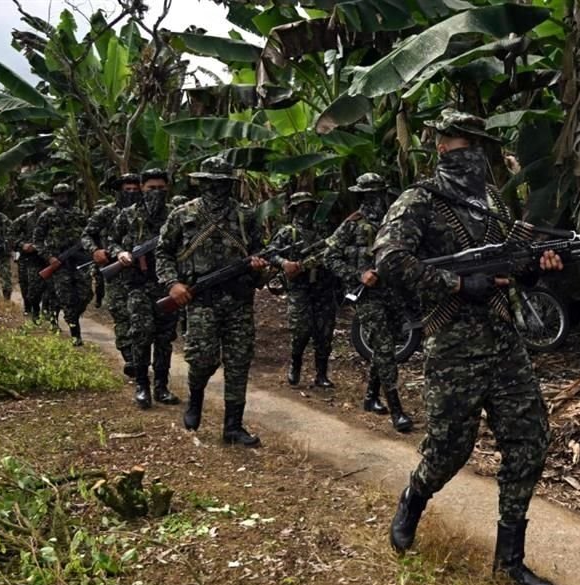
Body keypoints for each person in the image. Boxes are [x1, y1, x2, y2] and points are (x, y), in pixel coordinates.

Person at [374, 109, 562, 585]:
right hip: (454, 345)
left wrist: (535, 267)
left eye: (478, 145)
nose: (470, 154)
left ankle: (510, 560)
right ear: (439, 146)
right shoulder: (420, 200)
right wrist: (456, 282)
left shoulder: (495, 201)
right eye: (460, 145)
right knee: (449, 449)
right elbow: (390, 258)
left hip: (504, 342)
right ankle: (412, 500)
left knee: (529, 443)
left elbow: (511, 268)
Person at [156, 156, 267, 447]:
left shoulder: (246, 215)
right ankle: (195, 400)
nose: (216, 189)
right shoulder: (182, 214)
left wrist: (259, 266)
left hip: (239, 299)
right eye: (211, 183)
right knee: (202, 360)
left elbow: (260, 253)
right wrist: (173, 283)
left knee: (238, 362)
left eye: (222, 184)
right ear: (202, 182)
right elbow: (163, 252)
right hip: (202, 299)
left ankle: (233, 426)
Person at [322, 173, 413, 432]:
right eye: (369, 195)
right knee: (384, 348)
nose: (375, 199)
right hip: (366, 295)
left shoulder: (392, 221)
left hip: (393, 293)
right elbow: (330, 256)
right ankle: (397, 411)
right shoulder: (352, 224)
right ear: (361, 196)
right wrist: (358, 274)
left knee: (389, 344)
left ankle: (371, 397)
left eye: (378, 194)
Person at [109, 169, 180, 409]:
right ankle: (142, 385)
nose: (156, 193)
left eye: (161, 188)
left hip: (167, 285)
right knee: (140, 334)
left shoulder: (175, 216)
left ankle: (161, 386)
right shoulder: (128, 216)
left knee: (165, 338)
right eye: (151, 188)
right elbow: (112, 240)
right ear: (141, 187)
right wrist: (120, 253)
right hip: (137, 285)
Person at [266, 193, 339, 388]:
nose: (306, 211)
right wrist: (285, 263)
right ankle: (295, 363)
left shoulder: (323, 230)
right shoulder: (287, 232)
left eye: (309, 207)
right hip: (299, 288)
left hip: (323, 287)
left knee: (324, 332)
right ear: (294, 209)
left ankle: (321, 374)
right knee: (301, 329)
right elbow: (271, 253)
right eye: (301, 207)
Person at [83, 173, 142, 374]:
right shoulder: (107, 212)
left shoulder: (146, 212)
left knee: (142, 318)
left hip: (143, 274)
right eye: (128, 190)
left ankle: (142, 356)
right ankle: (130, 357)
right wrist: (95, 250)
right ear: (119, 191)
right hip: (116, 273)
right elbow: (87, 234)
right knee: (121, 314)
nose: (132, 193)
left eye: (136, 189)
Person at [34, 183, 93, 346]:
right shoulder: (47, 215)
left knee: (86, 294)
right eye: (59, 195)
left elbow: (89, 234)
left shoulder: (79, 214)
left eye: (65, 195)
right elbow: (37, 240)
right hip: (59, 263)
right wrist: (49, 257)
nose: (63, 198)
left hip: (80, 259)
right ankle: (76, 334)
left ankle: (59, 311)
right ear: (54, 197)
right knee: (66, 297)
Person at [9, 194, 49, 321]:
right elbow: (10, 235)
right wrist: (22, 244)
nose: (44, 205)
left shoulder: (54, 217)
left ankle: (47, 311)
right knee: (29, 285)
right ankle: (31, 308)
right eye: (42, 203)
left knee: (50, 286)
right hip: (30, 258)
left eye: (47, 202)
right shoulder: (25, 219)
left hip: (49, 257)